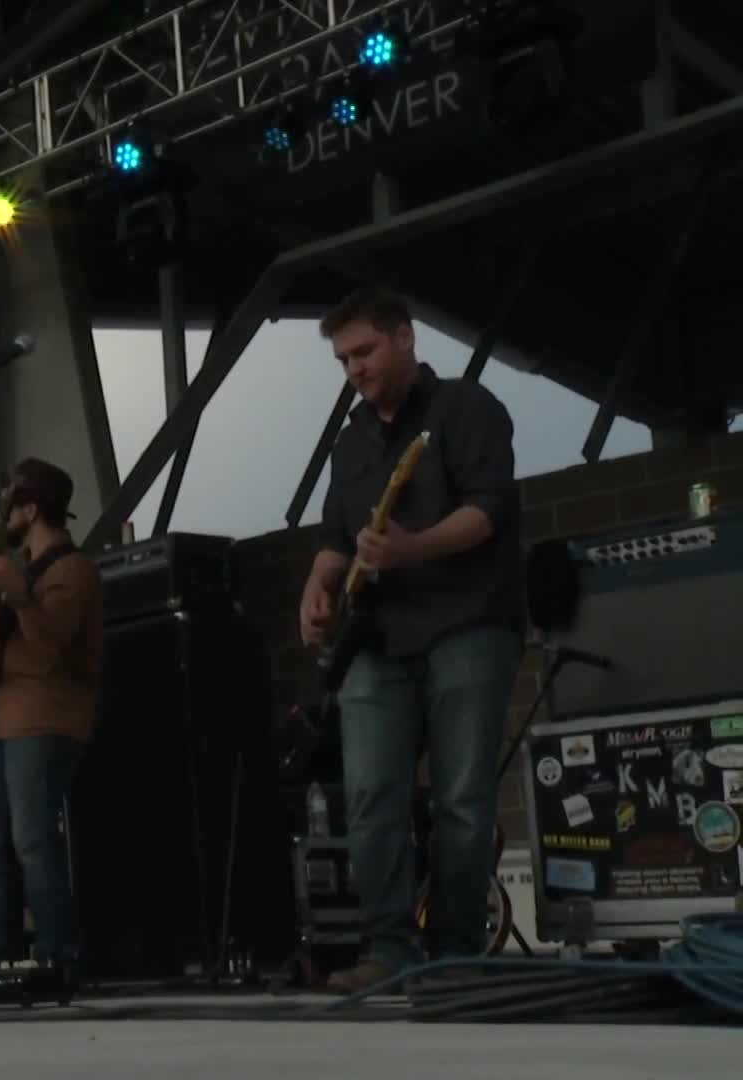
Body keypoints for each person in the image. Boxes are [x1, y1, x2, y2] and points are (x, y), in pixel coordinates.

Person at [298, 286, 525, 992]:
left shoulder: (467, 407)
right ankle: (389, 950)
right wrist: (317, 581)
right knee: (371, 798)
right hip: (377, 639)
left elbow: (488, 511)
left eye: (364, 351)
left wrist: (412, 547)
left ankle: (457, 953)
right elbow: (340, 539)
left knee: (461, 799)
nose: (354, 370)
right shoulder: (349, 442)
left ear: (405, 338)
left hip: (468, 623)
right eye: (342, 360)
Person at [0, 457, 107, 995]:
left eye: (9, 502)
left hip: (47, 720)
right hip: (7, 720)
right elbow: (15, 641)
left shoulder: (72, 571)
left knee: (33, 841)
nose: (2, 512)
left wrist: (16, 591)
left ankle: (59, 958)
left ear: (30, 507)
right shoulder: (30, 568)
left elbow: (51, 648)